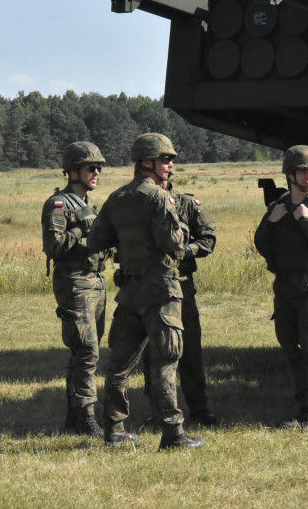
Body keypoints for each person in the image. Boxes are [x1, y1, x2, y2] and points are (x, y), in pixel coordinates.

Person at [88, 133, 206, 450]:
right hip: (161, 291)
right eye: (166, 159)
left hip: (129, 292)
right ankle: (173, 434)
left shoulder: (117, 198)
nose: (171, 165)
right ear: (147, 163)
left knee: (119, 366)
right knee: (165, 363)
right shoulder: (159, 198)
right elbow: (177, 244)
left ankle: (113, 430)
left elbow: (95, 240)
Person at [254, 145, 308, 432]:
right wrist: (272, 221)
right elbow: (261, 244)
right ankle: (305, 409)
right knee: (291, 347)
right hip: (286, 289)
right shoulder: (279, 205)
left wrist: (305, 220)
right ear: (290, 174)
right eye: (304, 171)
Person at [41, 141, 109, 438]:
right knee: (87, 351)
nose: (96, 172)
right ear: (72, 172)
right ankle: (86, 418)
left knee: (85, 350)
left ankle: (74, 414)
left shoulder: (88, 204)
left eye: (98, 168)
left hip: (96, 281)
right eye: (90, 167)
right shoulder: (59, 204)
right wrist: (82, 230)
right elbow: (54, 246)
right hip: (75, 282)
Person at [142, 179, 218, 427]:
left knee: (191, 349)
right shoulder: (140, 200)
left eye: (169, 162)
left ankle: (199, 408)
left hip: (182, 286)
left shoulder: (186, 203)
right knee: (154, 351)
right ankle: (158, 409)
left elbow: (208, 238)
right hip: (150, 288)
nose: (166, 167)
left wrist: (187, 250)